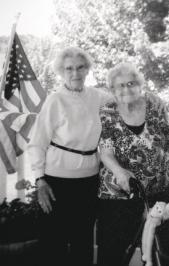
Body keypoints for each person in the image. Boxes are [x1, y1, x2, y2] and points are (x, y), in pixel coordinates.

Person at [97, 62, 169, 266]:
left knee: (164, 242)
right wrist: (119, 171)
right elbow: (106, 152)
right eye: (120, 85)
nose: (126, 89)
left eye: (131, 83)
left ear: (140, 84)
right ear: (112, 89)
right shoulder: (107, 112)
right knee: (117, 245)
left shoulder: (153, 105)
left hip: (162, 186)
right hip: (122, 189)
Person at [28, 47, 112, 266]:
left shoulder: (98, 97)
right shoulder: (54, 100)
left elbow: (125, 99)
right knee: (53, 241)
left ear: (87, 69)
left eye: (80, 67)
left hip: (89, 179)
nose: (75, 73)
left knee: (82, 240)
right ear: (61, 72)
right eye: (69, 69)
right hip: (56, 181)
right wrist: (40, 180)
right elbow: (37, 142)